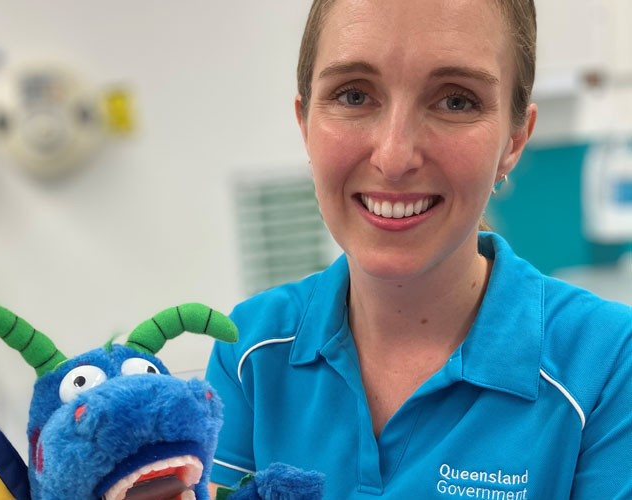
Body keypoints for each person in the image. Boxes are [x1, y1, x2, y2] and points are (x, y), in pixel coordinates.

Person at [206, 0, 632, 498]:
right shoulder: (251, 352)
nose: (393, 157)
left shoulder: (604, 367)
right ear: (305, 124)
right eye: (353, 95)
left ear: (513, 141)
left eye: (455, 101)